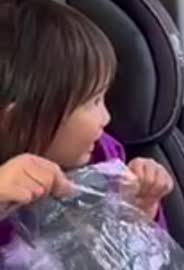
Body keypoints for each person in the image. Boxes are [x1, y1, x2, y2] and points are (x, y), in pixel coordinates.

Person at [0, 0, 174, 248]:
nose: (106, 118)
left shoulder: (104, 157)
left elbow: (139, 257)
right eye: (93, 101)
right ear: (18, 120)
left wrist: (140, 213)